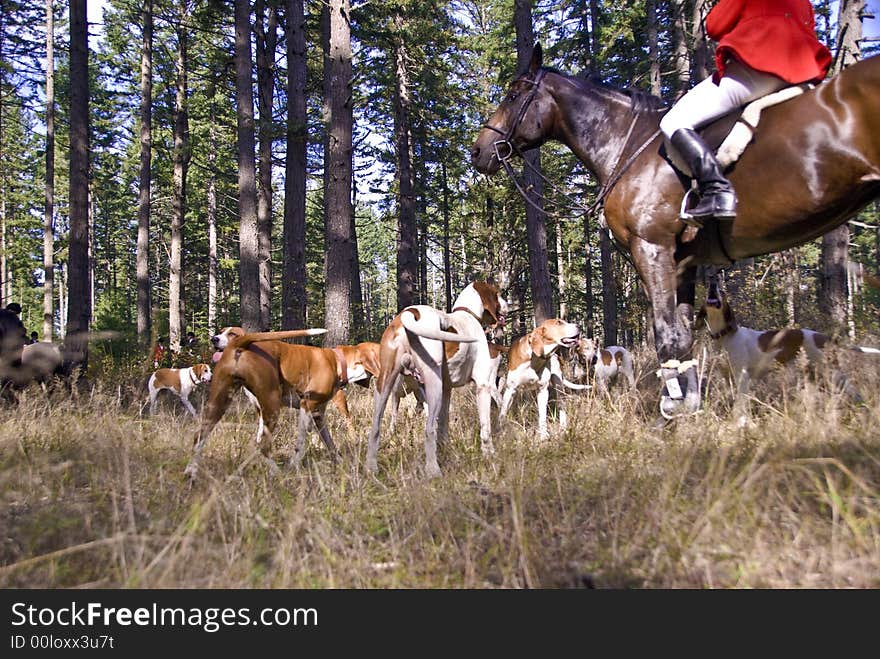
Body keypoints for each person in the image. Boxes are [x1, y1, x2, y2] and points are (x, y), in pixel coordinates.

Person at [659, 0, 831, 221]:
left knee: (673, 122)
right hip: (803, 71)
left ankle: (716, 190)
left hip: (760, 66)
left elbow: (715, 26)